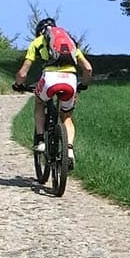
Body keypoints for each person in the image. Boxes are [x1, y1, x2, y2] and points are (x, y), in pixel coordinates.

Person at [13, 16, 93, 168]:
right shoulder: (70, 42)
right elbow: (88, 68)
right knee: (66, 116)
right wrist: (83, 84)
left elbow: (23, 73)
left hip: (50, 78)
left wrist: (18, 84)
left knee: (39, 101)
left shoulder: (37, 42)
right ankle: (69, 150)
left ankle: (41, 139)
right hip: (70, 79)